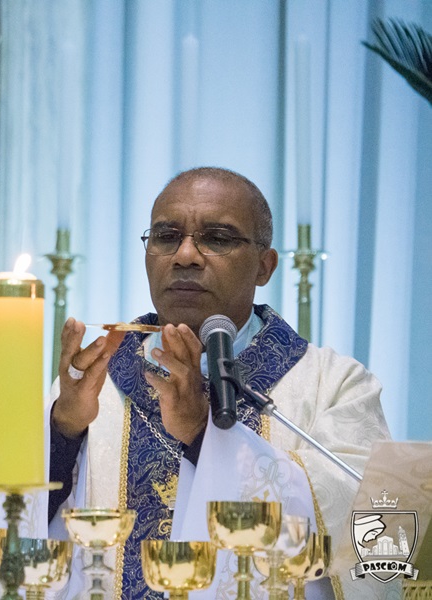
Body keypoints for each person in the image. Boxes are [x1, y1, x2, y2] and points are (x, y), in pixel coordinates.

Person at [46, 167, 396, 599]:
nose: (185, 255)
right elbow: (5, 525)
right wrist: (62, 433)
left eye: (217, 238)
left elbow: (369, 529)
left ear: (264, 266)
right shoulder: (95, 380)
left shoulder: (334, 386)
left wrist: (203, 434)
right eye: (166, 236)